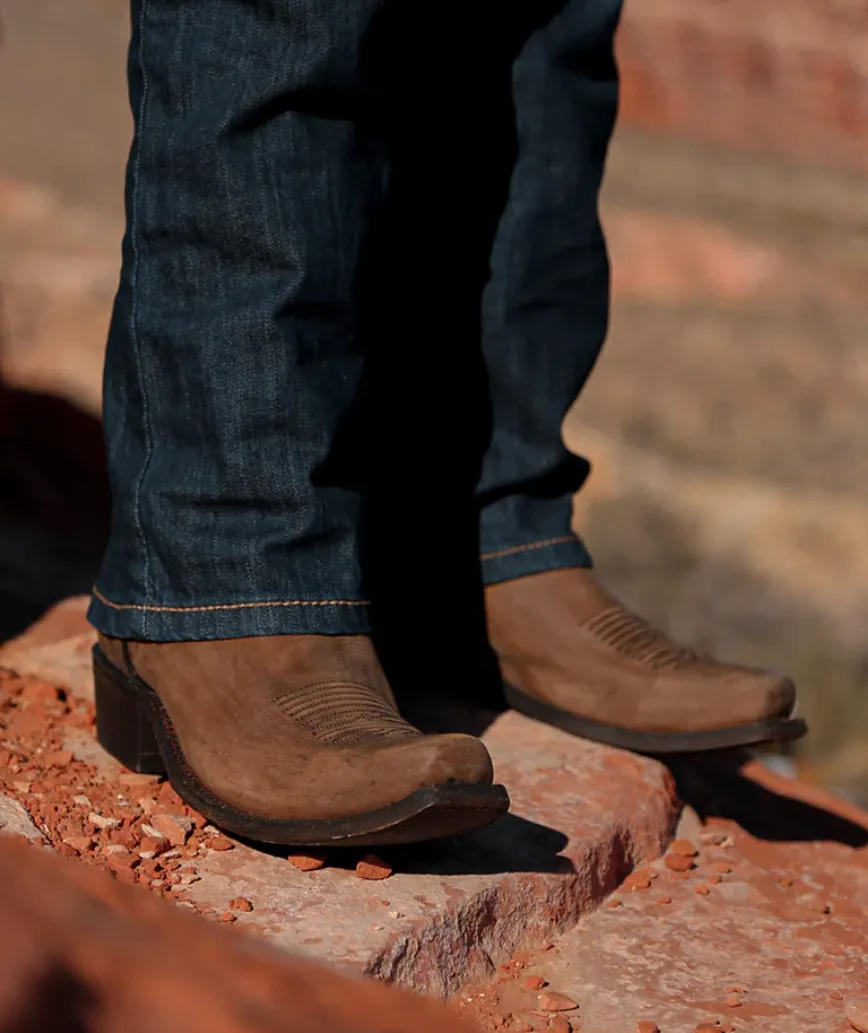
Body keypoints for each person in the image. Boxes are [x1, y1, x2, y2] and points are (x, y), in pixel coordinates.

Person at [89, 0, 805, 848]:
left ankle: (476, 543)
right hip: (231, 558)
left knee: (533, 25)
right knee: (285, 19)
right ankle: (234, 573)